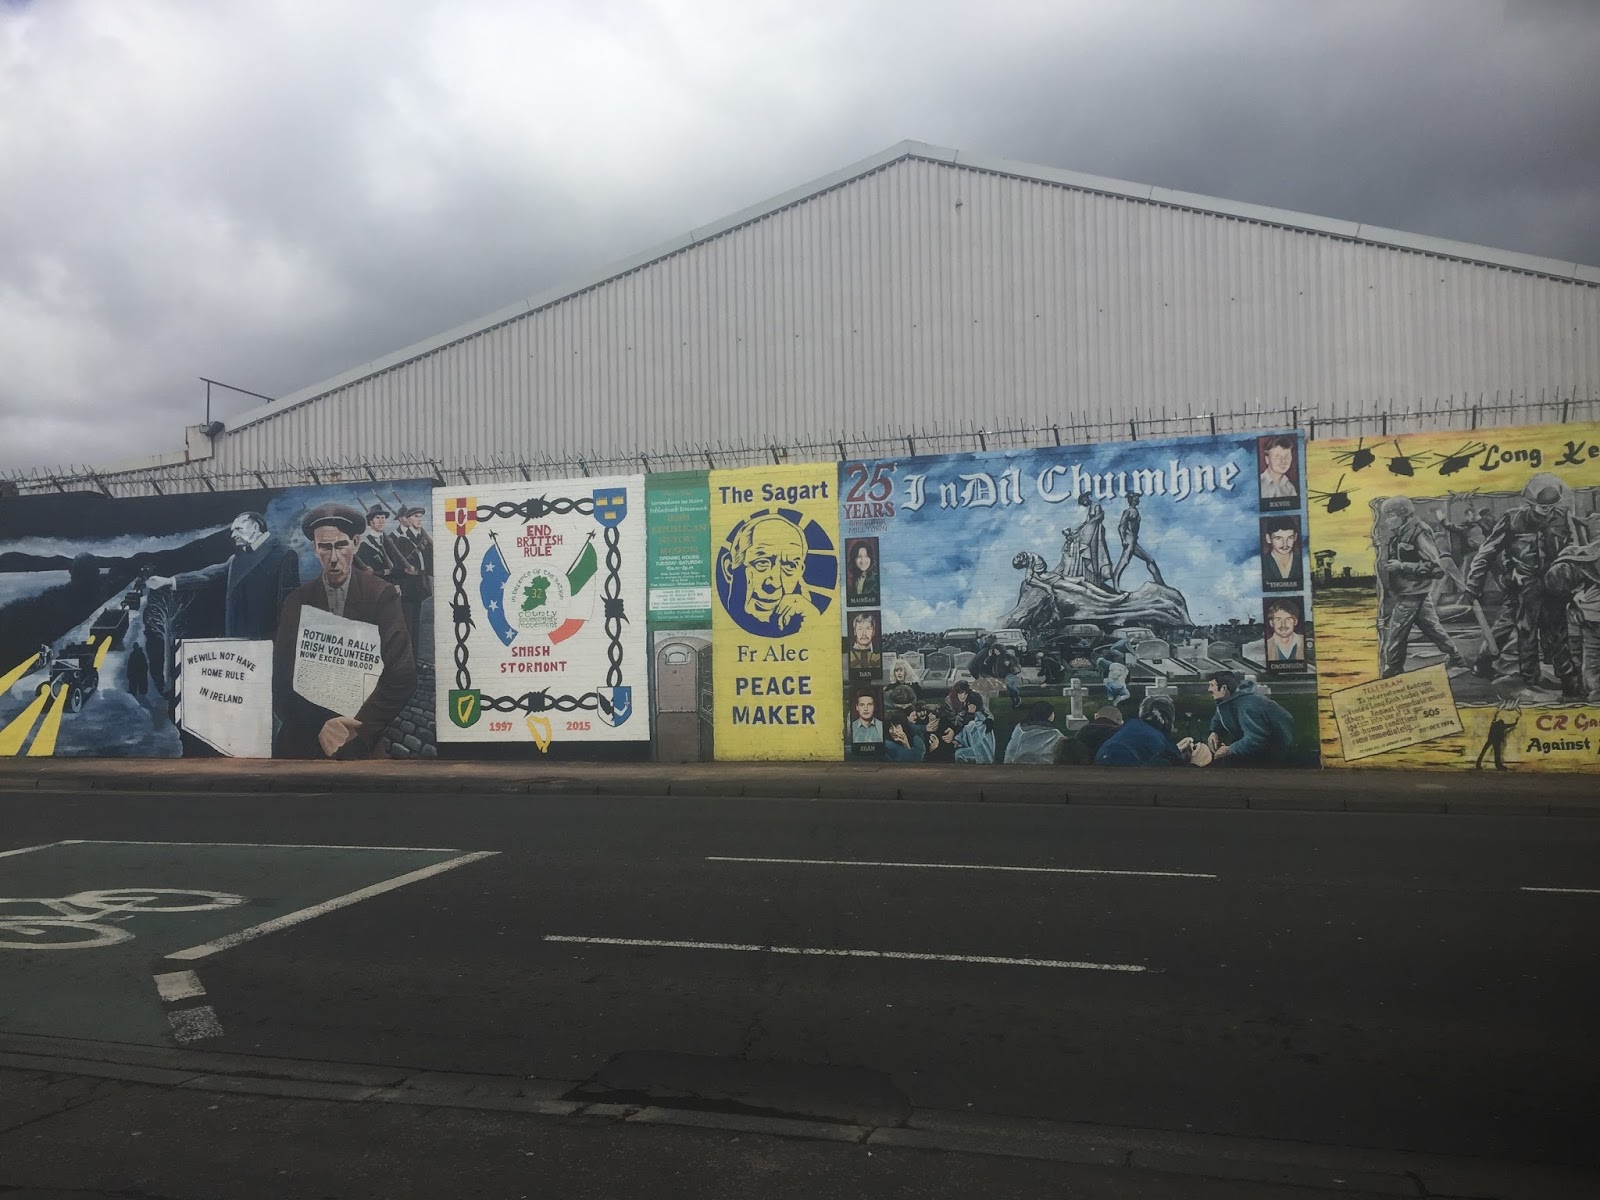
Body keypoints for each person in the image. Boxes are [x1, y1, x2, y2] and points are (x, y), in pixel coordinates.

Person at [273, 504, 416, 759]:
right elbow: (282, 682)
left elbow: (401, 677)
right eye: (325, 547)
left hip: (359, 738)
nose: (333, 557)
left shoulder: (380, 595)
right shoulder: (297, 602)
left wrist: (357, 730)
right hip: (304, 739)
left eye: (341, 545)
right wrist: (320, 727)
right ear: (315, 548)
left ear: (356, 543)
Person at [1463, 474, 1580, 697]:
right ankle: (1528, 676)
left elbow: (1573, 550)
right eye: (1542, 506)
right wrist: (1473, 584)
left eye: (1551, 506)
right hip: (1522, 584)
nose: (1547, 510)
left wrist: (1570, 579)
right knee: (1524, 629)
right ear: (1530, 502)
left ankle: (1568, 680)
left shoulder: (1563, 517)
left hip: (1554, 584)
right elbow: (1487, 552)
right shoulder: (1513, 519)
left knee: (1557, 630)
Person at [146, 511, 300, 640]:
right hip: (237, 639)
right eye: (233, 530)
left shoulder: (283, 554)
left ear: (255, 527)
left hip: (267, 642)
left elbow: (290, 604)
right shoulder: (238, 559)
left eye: (238, 529)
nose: (233, 534)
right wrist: (169, 581)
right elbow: (209, 576)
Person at [1375, 496, 1466, 677]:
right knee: (1432, 628)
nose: (1387, 521)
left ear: (1403, 515)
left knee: (1396, 632)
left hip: (1412, 593)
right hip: (1413, 591)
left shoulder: (1419, 532)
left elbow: (1435, 567)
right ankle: (1456, 657)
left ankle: (1394, 668)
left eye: (1390, 516)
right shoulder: (1401, 532)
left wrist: (1402, 566)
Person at [721, 512, 823, 635]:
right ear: (729, 568)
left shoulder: (808, 621)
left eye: (790, 566)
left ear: (800, 571)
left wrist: (814, 626)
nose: (774, 584)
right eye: (762, 563)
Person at [1545, 537, 1600, 702]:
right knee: (1591, 658)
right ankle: (1591, 692)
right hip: (1590, 616)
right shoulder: (1564, 565)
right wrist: (1571, 603)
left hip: (1592, 614)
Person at [1205, 670, 1294, 766]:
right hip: (1254, 743)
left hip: (1274, 748)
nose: (1209, 689)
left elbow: (1256, 739)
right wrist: (1215, 732)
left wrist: (1230, 749)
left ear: (1224, 688)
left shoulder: (1247, 707)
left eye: (1212, 685)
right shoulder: (1229, 700)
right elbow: (1221, 715)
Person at [388, 502, 432, 661]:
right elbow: (395, 567)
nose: (419, 519)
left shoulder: (424, 539)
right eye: (416, 516)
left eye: (421, 517)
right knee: (407, 627)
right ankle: (406, 660)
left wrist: (420, 571)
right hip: (407, 590)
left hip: (420, 589)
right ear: (407, 519)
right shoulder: (400, 540)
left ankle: (414, 659)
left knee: (416, 627)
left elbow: (430, 565)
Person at [1094, 695, 1187, 766]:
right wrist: (1193, 761)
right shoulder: (1162, 743)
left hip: (1101, 763)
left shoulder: (1130, 726)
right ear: (1169, 720)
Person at [1111, 493, 1165, 589]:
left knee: (1150, 560)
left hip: (1134, 541)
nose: (1138, 500)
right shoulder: (1128, 511)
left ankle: (1161, 584)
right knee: (1124, 561)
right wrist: (1123, 540)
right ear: (1132, 500)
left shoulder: (1135, 511)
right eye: (1136, 499)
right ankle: (1115, 585)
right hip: (1129, 540)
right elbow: (1121, 526)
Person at [1473, 701, 1520, 771]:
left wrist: (1498, 711)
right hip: (1496, 742)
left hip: (1490, 740)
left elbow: (1495, 718)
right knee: (1497, 754)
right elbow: (1512, 724)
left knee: (1484, 752)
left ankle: (1478, 764)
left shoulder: (1495, 724)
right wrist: (1516, 720)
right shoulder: (1502, 726)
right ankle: (1498, 766)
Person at [354, 504, 397, 578]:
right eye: (377, 518)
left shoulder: (389, 542)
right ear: (371, 522)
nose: (381, 521)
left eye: (383, 517)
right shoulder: (364, 546)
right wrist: (383, 572)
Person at [1261, 517, 1303, 588]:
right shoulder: (1263, 563)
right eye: (1278, 538)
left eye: (1290, 537)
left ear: (1295, 537)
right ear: (1268, 538)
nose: (1285, 544)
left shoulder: (1301, 560)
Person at [954, 694, 994, 763]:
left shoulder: (979, 722)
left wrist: (959, 740)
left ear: (973, 706)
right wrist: (957, 740)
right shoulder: (975, 719)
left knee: (959, 754)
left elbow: (974, 737)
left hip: (982, 753)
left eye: (967, 704)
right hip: (977, 749)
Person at [846, 541, 879, 606]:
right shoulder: (855, 579)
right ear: (854, 559)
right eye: (859, 556)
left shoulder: (876, 579)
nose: (862, 560)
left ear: (871, 558)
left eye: (866, 556)